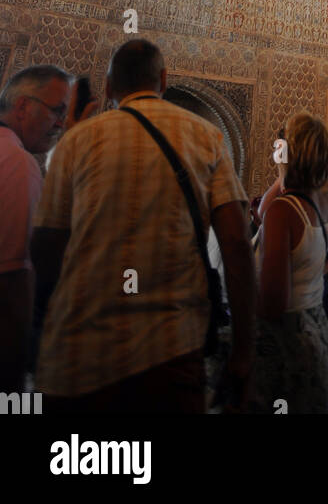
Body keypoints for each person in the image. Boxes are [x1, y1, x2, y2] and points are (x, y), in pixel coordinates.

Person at [32, 39, 253, 413]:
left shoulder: (74, 143)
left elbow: (46, 249)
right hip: (171, 352)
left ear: (107, 88)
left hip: (79, 354)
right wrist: (244, 351)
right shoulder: (207, 137)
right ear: (163, 80)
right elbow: (235, 243)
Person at [0, 65, 95, 392]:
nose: (59, 123)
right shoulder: (16, 162)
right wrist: (14, 396)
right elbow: (14, 279)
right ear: (23, 106)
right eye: (56, 111)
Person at [254, 111, 328, 413]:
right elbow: (262, 212)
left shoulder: (284, 211)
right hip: (317, 330)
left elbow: (272, 302)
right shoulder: (324, 205)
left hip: (287, 341)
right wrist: (284, 175)